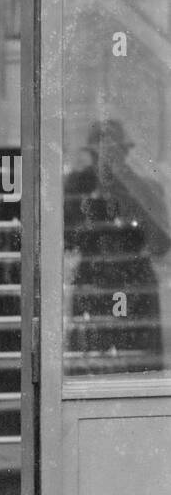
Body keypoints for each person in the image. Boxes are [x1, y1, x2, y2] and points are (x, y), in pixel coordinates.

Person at [64, 119, 171, 373]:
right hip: (94, 284)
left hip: (135, 286)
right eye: (100, 154)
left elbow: (160, 242)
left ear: (125, 153)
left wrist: (126, 183)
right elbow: (68, 239)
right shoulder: (78, 187)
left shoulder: (146, 188)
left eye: (114, 152)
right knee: (89, 366)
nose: (107, 160)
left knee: (138, 366)